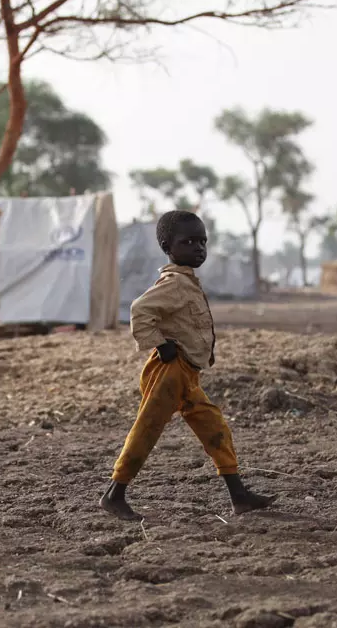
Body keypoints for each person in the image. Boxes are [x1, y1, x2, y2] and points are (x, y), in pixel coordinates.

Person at [100, 210, 276, 521]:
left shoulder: (187, 282)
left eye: (203, 241)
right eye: (189, 241)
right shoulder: (175, 284)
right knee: (147, 429)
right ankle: (114, 495)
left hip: (187, 374)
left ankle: (239, 496)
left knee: (214, 428)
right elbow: (140, 310)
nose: (199, 248)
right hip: (170, 372)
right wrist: (161, 344)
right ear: (168, 246)